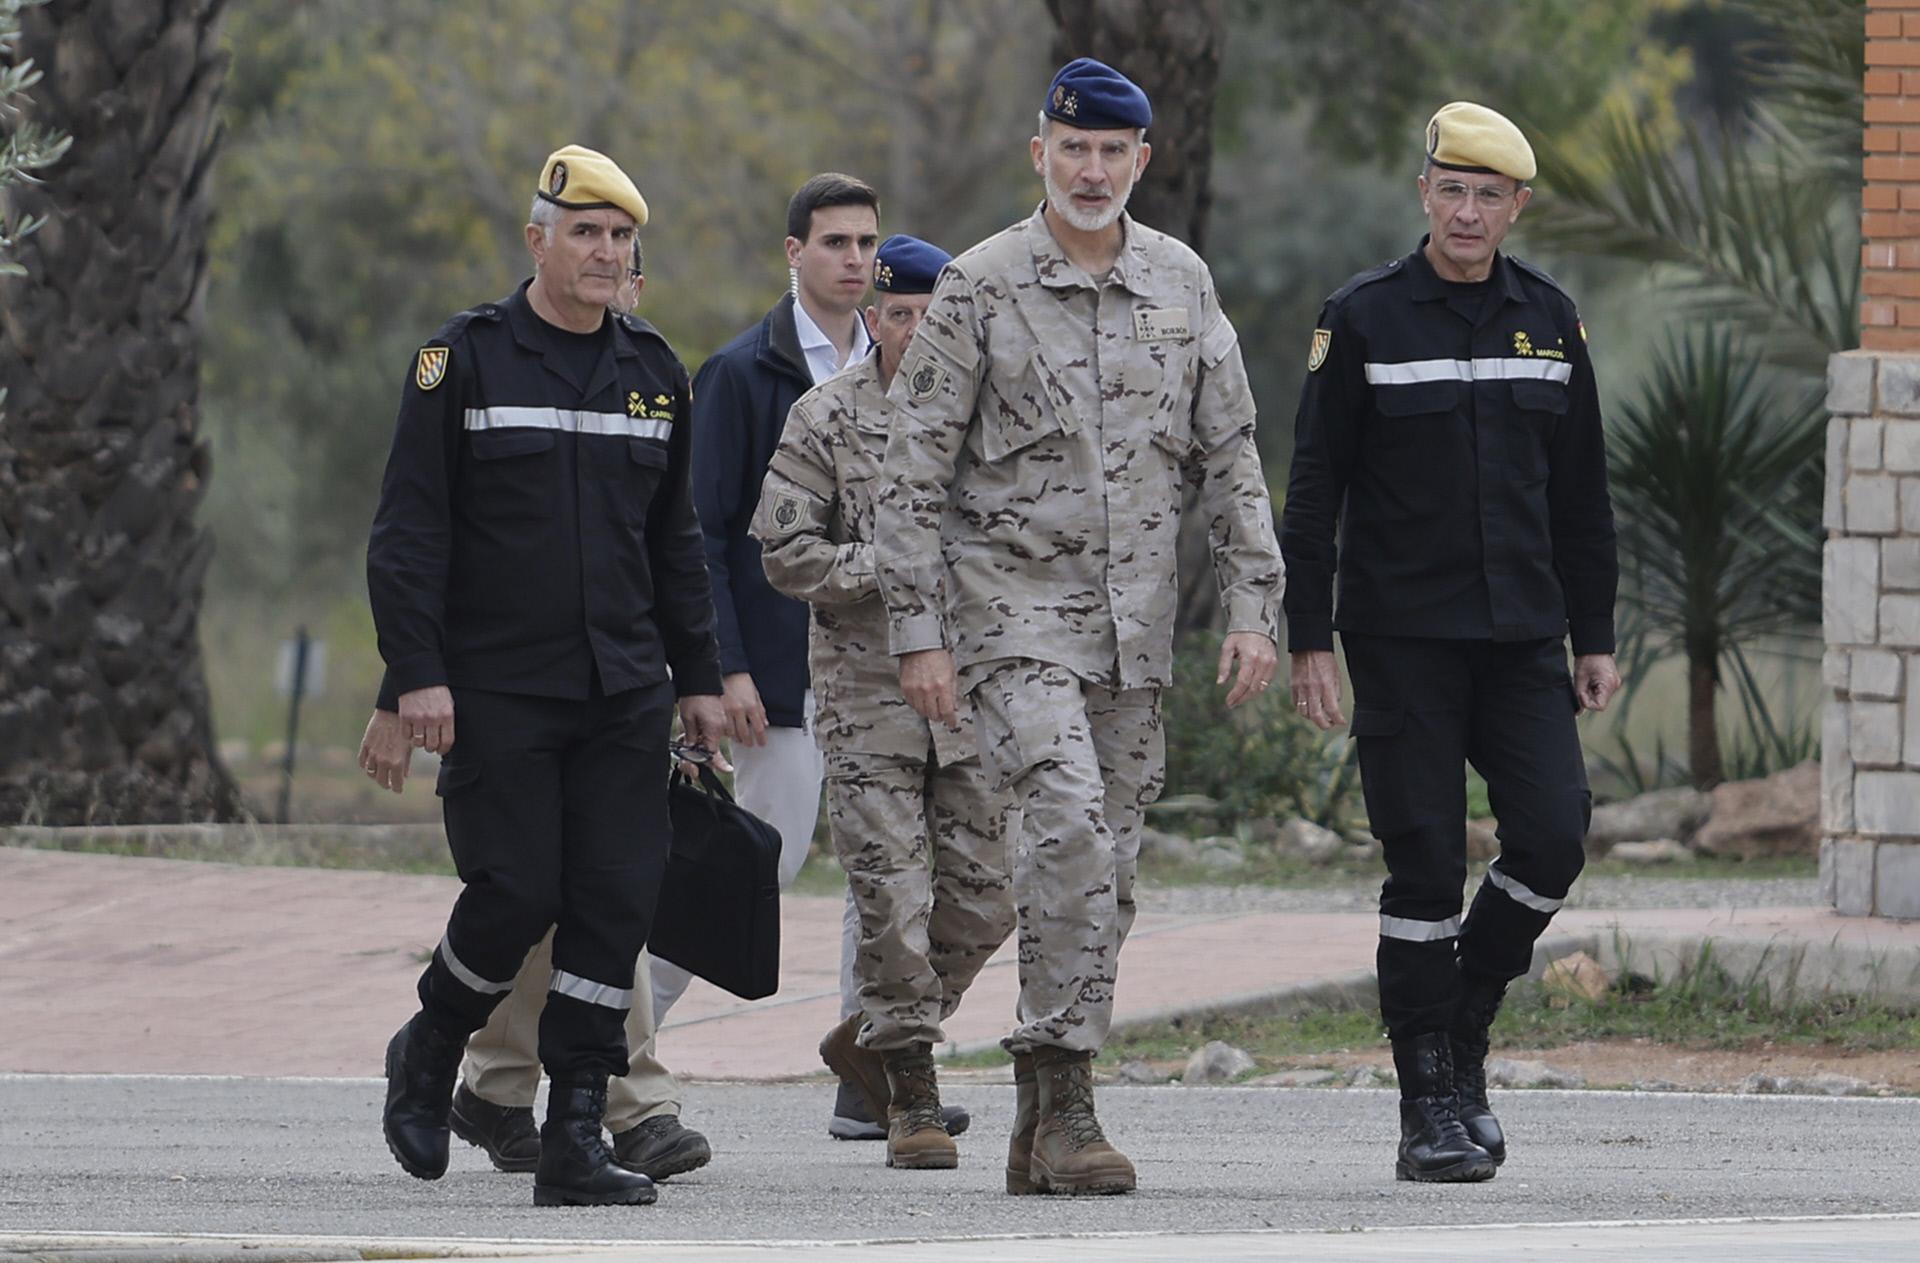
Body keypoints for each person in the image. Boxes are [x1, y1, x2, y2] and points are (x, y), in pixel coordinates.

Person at [873, 59, 1284, 1196]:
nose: (1093, 170)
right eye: (1075, 150)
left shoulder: (1181, 283)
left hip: (1134, 631)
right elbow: (909, 473)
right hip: (1010, 618)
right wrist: (918, 633)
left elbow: (1231, 457)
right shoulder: (979, 286)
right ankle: (1071, 1104)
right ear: (1039, 154)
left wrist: (1254, 609)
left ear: (1142, 161)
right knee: (1062, 824)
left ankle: (1038, 1118)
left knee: (1109, 870)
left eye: (1115, 152)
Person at [366, 143, 727, 1208]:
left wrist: (699, 675)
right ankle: (430, 1046)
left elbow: (677, 544)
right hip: (497, 688)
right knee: (515, 891)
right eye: (585, 233)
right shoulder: (464, 360)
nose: (606, 252)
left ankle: (576, 1130)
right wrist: (414, 674)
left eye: (621, 238)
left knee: (614, 905)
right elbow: (408, 532)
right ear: (538, 240)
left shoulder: (655, 374)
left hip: (624, 689)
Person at [1279, 102, 1621, 1184]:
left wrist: (1595, 634)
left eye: (1492, 195)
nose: (1470, 211)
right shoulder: (1366, 317)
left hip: (1523, 635)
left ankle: (1463, 1013)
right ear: (1425, 192)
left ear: (1518, 207)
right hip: (1402, 639)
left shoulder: (1552, 321)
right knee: (1423, 860)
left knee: (1555, 837)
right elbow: (1314, 487)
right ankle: (1429, 1097)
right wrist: (1308, 638)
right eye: (1453, 189)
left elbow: (1583, 497)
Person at [688, 172, 964, 1140]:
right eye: (836, 243)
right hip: (779, 679)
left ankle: (872, 1077)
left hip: (905, 678)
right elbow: (706, 533)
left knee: (883, 882)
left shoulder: (931, 364)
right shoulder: (743, 374)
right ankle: (609, 1037)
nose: (854, 260)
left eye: (866, 243)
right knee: (743, 870)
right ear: (794, 254)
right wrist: (721, 670)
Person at [750, 234, 1017, 1171]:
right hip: (867, 696)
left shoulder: (991, 423)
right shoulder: (825, 418)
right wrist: (892, 566)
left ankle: (869, 1037)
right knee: (893, 897)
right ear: (873, 320)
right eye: (900, 314)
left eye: (935, 318)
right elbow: (784, 553)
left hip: (972, 699)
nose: (916, 332)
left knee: (990, 890)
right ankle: (911, 1094)